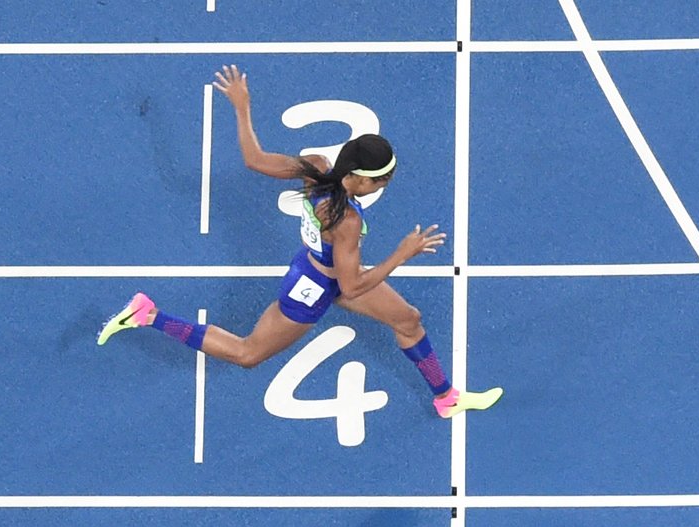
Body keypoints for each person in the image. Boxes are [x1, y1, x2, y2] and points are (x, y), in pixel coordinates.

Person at [97, 65, 503, 420]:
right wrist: (402, 253)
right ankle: (148, 315)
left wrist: (241, 106)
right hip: (313, 286)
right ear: (361, 178)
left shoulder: (318, 168)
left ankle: (445, 397)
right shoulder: (345, 220)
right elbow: (352, 287)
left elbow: (255, 159)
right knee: (247, 354)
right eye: (382, 180)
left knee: (408, 319)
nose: (386, 185)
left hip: (330, 267)